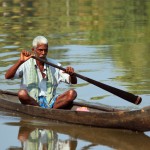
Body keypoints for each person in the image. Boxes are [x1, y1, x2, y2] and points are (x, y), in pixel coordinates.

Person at [5, 36, 77, 109]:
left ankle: (48, 110)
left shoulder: (55, 65)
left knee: (72, 93)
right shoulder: (25, 63)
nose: (43, 53)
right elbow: (7, 76)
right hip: (32, 101)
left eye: (45, 50)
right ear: (33, 50)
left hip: (51, 102)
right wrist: (20, 62)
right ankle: (43, 110)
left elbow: (73, 82)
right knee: (22, 94)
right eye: (40, 50)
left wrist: (72, 75)